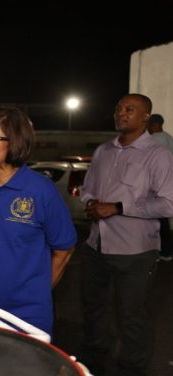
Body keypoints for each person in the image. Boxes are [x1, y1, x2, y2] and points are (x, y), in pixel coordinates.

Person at [0, 107, 76, 336]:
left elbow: (64, 250)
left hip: (27, 315)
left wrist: (37, 291)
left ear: (15, 141)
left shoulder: (41, 190)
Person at [79, 94, 173, 376]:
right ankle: (93, 360)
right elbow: (87, 188)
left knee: (131, 315)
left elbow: (168, 203)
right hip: (96, 246)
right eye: (119, 108)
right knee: (93, 308)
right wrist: (91, 202)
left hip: (134, 251)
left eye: (130, 109)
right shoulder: (103, 151)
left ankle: (133, 367)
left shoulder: (158, 155)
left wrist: (119, 208)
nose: (121, 113)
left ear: (146, 116)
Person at [147, 114, 173, 262]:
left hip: (156, 186)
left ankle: (155, 252)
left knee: (153, 221)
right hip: (167, 185)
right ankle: (166, 252)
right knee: (162, 220)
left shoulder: (154, 140)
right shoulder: (169, 138)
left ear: (154, 124)